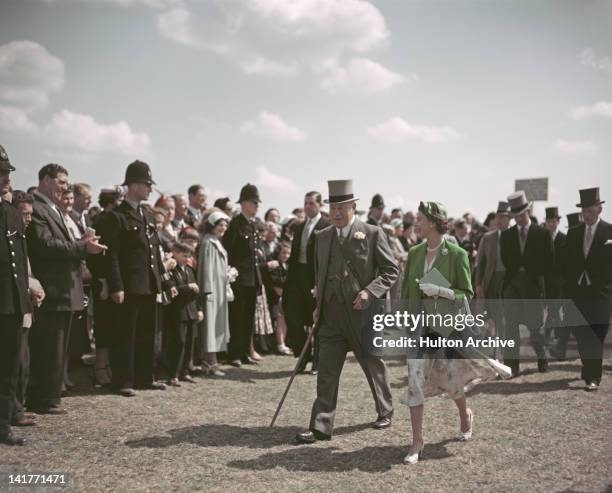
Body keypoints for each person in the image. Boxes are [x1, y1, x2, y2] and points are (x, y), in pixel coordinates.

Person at [296, 180, 398, 445]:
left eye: (342, 207)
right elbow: (321, 273)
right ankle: (320, 425)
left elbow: (390, 271)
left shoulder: (373, 233)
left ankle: (385, 410)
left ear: (354, 207)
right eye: (333, 208)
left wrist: (369, 292)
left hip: (363, 314)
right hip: (331, 316)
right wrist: (318, 302)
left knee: (373, 364)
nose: (337, 213)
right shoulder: (323, 236)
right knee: (327, 372)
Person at [400, 201, 502, 465]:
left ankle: (464, 413)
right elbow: (407, 293)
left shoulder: (457, 254)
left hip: (449, 327)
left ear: (433, 222)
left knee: (452, 381)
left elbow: (465, 292)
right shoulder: (414, 253)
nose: (417, 224)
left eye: (421, 219)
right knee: (414, 381)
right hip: (420, 327)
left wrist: (442, 291)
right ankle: (417, 442)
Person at [26, 164, 106, 415]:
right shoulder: (38, 209)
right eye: (61, 182)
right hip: (53, 289)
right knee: (48, 347)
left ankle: (50, 396)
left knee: (58, 348)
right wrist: (82, 247)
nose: (65, 187)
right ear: (46, 180)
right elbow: (46, 245)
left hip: (63, 289)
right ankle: (43, 398)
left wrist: (81, 244)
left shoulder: (54, 209)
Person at [106, 160, 172, 397]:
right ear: (133, 185)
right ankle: (123, 380)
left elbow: (153, 252)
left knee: (146, 334)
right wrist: (116, 286)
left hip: (148, 283)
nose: (150, 189)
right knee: (126, 334)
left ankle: (145, 377)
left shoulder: (146, 215)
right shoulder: (118, 216)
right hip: (129, 285)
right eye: (146, 184)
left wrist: (163, 282)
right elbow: (112, 255)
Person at [0, 145, 33, 445]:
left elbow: (19, 261)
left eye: (7, 172)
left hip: (10, 303)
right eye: (1, 173)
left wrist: (26, 293)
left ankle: (2, 426)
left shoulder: (11, 213)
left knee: (9, 367)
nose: (6, 178)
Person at [500, 191, 553, 376]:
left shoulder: (543, 234)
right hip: (513, 286)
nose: (519, 219)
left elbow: (548, 263)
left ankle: (542, 356)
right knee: (511, 327)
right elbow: (506, 260)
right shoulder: (506, 236)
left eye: (522, 214)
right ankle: (511, 366)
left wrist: (546, 292)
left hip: (533, 287)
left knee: (535, 329)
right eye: (516, 216)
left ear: (528, 211)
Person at [564, 188, 612, 391]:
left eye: (590, 208)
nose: (586, 212)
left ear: (599, 209)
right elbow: (567, 265)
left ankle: (594, 375)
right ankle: (589, 368)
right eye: (584, 209)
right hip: (578, 293)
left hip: (601, 294)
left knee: (597, 334)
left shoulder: (610, 232)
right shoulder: (573, 232)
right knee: (583, 335)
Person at [284, 191, 330, 373]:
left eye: (311, 203)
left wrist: (321, 282)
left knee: (317, 321)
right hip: (297, 277)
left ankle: (317, 362)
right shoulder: (298, 227)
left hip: (315, 277)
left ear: (319, 205)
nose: (308, 206)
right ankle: (302, 356)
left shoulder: (326, 225)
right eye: (306, 203)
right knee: (294, 317)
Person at [87, 186, 124, 387]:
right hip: (103, 281)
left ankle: (106, 365)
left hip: (108, 279)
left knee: (110, 325)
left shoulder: (110, 219)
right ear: (112, 201)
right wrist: (102, 280)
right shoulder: (104, 220)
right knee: (104, 326)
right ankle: (100, 367)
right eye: (120, 199)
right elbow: (102, 254)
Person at [222, 183, 262, 367]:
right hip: (239, 279)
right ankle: (235, 354)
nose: (256, 206)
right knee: (237, 317)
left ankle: (245, 351)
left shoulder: (252, 226)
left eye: (257, 203)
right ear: (244, 203)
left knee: (248, 318)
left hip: (252, 279)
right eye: (254, 202)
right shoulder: (236, 225)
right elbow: (229, 251)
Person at [197, 210, 232, 376]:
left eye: (225, 225)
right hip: (212, 291)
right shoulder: (209, 243)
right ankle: (211, 362)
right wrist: (207, 290)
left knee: (216, 325)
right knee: (211, 326)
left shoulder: (215, 242)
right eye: (220, 225)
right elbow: (207, 269)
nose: (223, 227)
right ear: (212, 226)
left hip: (218, 288)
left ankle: (210, 361)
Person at [165, 242, 203, 386]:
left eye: (189, 256)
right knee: (178, 342)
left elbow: (197, 292)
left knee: (189, 343)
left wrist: (199, 309)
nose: (187, 258)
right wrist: (188, 287)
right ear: (174, 253)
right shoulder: (171, 270)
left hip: (191, 312)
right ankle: (172, 374)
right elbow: (173, 289)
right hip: (178, 312)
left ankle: (185, 372)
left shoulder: (189, 270)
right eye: (184, 255)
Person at [475, 201, 510, 349]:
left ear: (510, 218)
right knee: (494, 317)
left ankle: (502, 348)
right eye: (498, 217)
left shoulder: (515, 235)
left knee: (505, 317)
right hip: (492, 281)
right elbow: (480, 263)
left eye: (504, 217)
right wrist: (478, 283)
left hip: (509, 282)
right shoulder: (488, 238)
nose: (500, 220)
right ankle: (497, 349)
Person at [268, 242, 292, 355]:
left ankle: (283, 344)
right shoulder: (275, 266)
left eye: (288, 253)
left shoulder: (287, 265)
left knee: (284, 321)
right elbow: (275, 284)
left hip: (285, 297)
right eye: (284, 253)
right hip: (277, 297)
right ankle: (280, 345)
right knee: (280, 321)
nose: (286, 256)